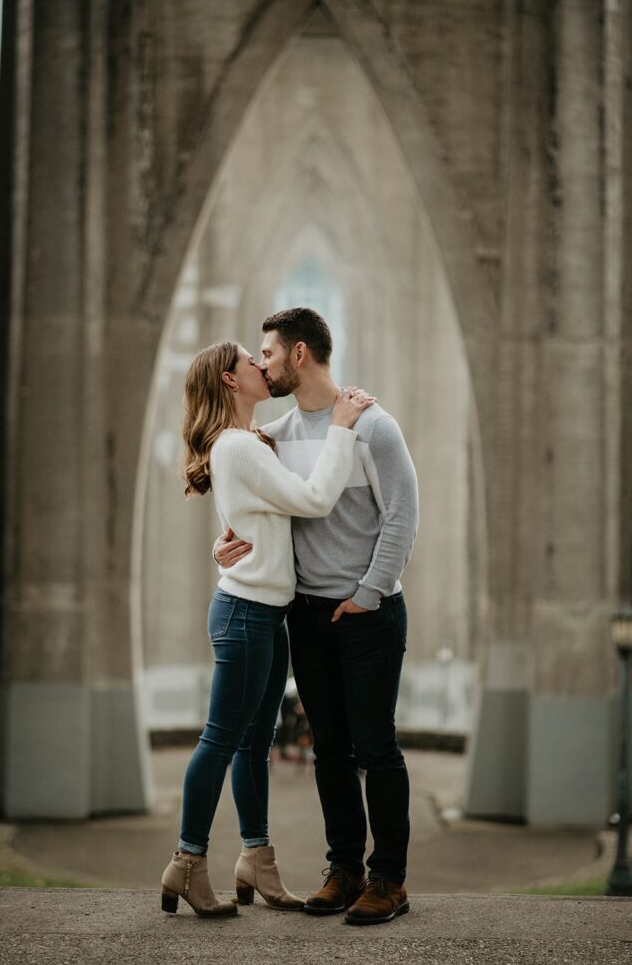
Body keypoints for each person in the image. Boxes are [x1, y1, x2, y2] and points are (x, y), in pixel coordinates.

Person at [215, 308, 418, 925]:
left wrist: (369, 592)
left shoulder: (374, 427)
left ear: (299, 354)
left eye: (268, 352)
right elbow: (253, 505)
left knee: (376, 746)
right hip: (305, 615)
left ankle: (389, 880)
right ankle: (345, 870)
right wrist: (222, 542)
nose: (262, 363)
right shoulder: (271, 435)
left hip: (368, 613)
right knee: (330, 750)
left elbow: (402, 517)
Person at [160, 340, 374, 919]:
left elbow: (249, 522)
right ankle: (188, 862)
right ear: (231, 381)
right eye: (250, 361)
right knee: (221, 740)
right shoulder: (237, 446)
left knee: (253, 747)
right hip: (247, 613)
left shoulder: (252, 442)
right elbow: (313, 498)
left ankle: (256, 858)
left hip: (264, 612)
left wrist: (222, 545)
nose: (262, 365)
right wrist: (344, 427)